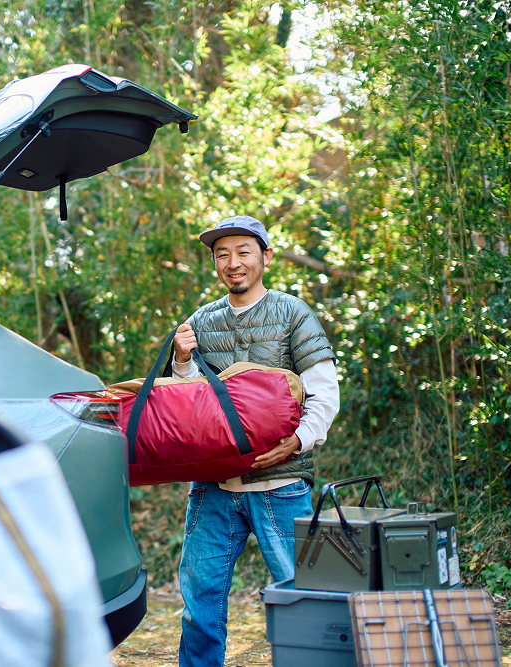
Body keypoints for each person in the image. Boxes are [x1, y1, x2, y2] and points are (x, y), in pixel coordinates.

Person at [172, 216, 340, 667]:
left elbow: (324, 391)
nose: (233, 263)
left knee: (302, 596)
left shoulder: (292, 314)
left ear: (265, 256)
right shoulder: (201, 321)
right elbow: (189, 403)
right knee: (200, 603)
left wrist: (297, 442)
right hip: (214, 489)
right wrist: (182, 360)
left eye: (244, 251)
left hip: (280, 487)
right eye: (222, 254)